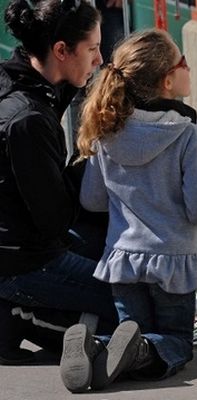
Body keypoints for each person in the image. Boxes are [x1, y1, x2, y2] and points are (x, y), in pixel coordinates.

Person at [59, 29, 197, 393]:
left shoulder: (105, 131)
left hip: (123, 261)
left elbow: (93, 201)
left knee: (129, 331)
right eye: (184, 62)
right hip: (173, 262)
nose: (189, 66)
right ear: (168, 79)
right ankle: (140, 348)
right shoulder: (186, 136)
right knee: (176, 342)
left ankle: (99, 345)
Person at [0, 0, 119, 365]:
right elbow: (55, 218)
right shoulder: (28, 120)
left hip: (23, 241)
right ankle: (20, 317)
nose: (100, 60)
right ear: (61, 51)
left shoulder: (28, 81)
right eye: (93, 49)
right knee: (130, 302)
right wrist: (90, 163)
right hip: (22, 263)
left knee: (107, 243)